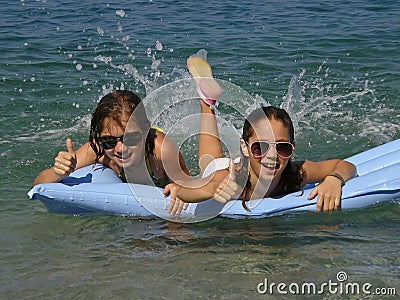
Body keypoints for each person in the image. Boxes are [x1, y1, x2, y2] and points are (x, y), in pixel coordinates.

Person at [164, 57, 357, 213]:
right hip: (222, 171)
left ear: (292, 148)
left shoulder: (295, 173)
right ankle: (206, 103)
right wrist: (184, 189)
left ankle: (208, 100)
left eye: (282, 147)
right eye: (260, 147)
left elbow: (344, 165)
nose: (272, 155)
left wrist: (334, 179)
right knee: (209, 162)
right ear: (245, 147)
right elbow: (196, 191)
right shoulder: (233, 180)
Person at [33, 90, 190, 189]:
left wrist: (178, 188)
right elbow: (39, 183)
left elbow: (188, 185)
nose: (120, 149)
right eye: (109, 141)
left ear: (145, 130)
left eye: (130, 138)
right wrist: (59, 171)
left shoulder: (160, 150)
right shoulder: (98, 149)